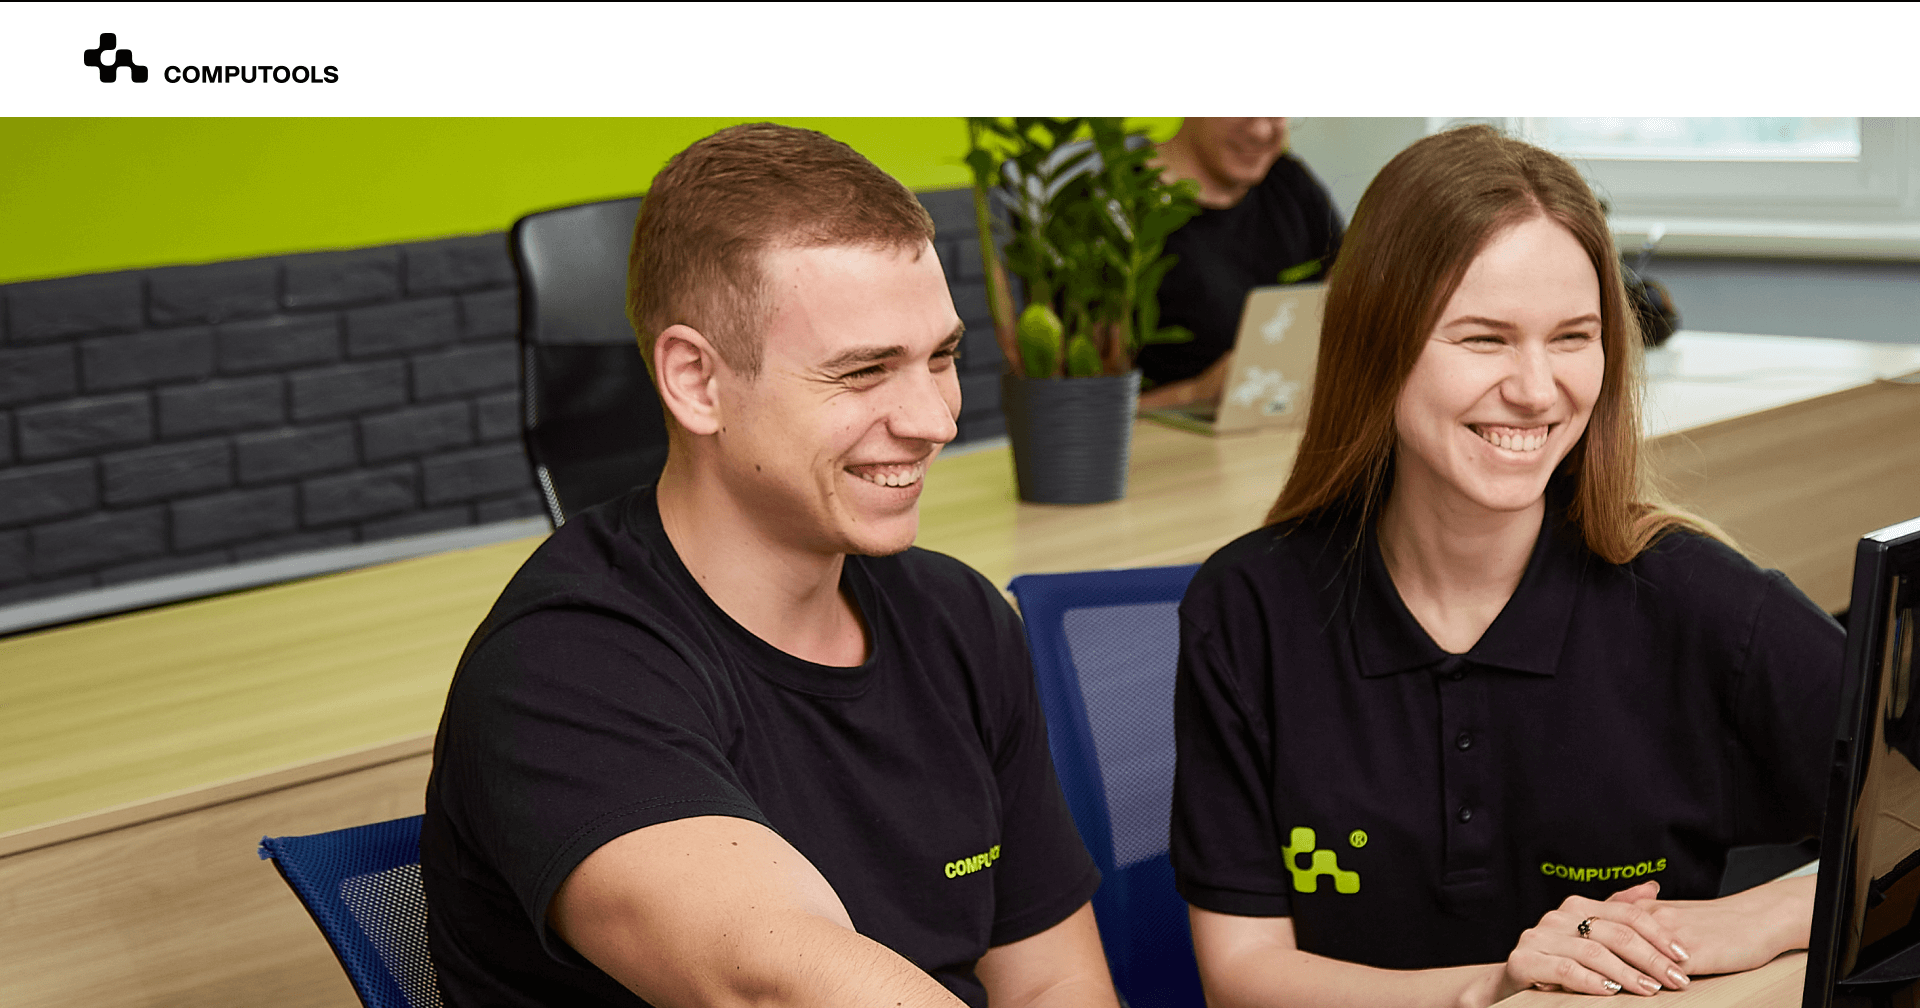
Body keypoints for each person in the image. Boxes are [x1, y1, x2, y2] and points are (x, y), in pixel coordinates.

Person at [421, 123, 1117, 1008]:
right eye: (864, 372)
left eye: (941, 357)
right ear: (696, 381)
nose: (937, 420)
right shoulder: (561, 670)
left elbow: (1052, 980)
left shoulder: (957, 619)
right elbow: (776, 986)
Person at [1168, 125, 1842, 1006]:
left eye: (1572, 337)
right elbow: (1242, 974)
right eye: (1484, 339)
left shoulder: (1700, 599)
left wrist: (1771, 913)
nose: (1534, 389)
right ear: (1376, 342)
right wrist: (1499, 988)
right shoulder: (1249, 609)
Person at [1136, 117, 1344, 411]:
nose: (1261, 130)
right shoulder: (1115, 208)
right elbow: (1078, 414)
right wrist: (1193, 394)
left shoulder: (1289, 182)